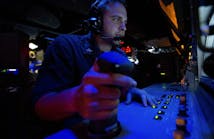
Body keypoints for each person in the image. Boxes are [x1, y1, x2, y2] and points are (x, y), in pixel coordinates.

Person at [31, 0, 157, 134]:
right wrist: (75, 99)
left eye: (125, 22)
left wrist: (131, 91)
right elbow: (40, 107)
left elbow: (117, 89)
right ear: (96, 21)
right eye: (116, 19)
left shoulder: (120, 55)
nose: (123, 28)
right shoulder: (65, 45)